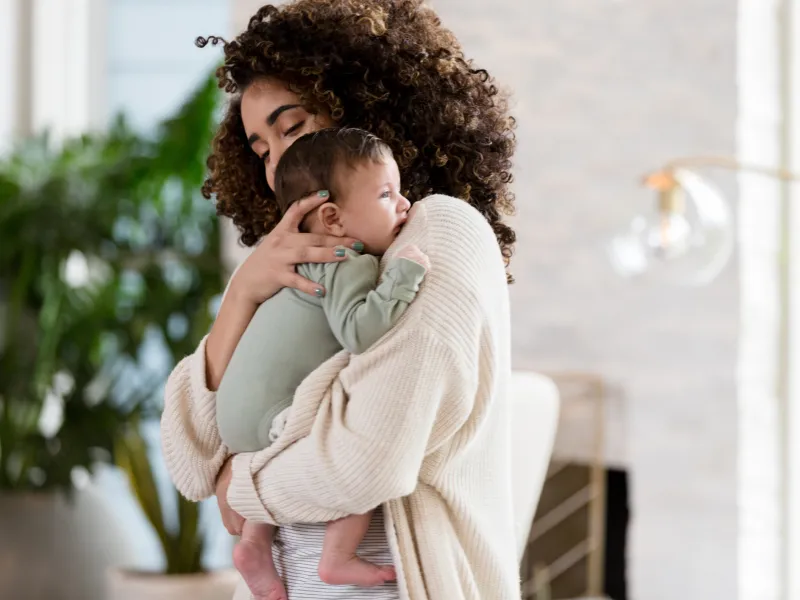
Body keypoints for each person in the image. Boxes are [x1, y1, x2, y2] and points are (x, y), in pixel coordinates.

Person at [160, 1, 520, 598]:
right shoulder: (293, 268)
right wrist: (243, 292)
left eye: (292, 126)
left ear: (364, 111)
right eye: (260, 148)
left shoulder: (440, 232)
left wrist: (242, 484)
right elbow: (192, 459)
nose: (276, 166)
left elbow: (363, 464)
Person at [217, 127, 430, 600]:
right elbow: (359, 329)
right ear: (332, 218)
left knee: (291, 438)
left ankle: (254, 543)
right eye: (386, 194)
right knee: (354, 447)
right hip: (271, 412)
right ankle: (336, 557)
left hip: (235, 418)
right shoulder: (348, 261)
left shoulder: (292, 264)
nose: (405, 204)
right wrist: (404, 276)